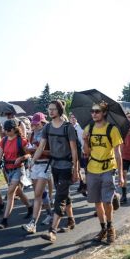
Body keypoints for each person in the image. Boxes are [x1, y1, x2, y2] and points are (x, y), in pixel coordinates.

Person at [33, 100, 80, 243]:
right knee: (64, 193)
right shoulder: (47, 127)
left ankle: (52, 231)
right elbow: (41, 147)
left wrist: (76, 170)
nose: (50, 111)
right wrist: (32, 161)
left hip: (66, 166)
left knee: (59, 197)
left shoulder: (68, 128)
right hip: (54, 166)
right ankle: (71, 220)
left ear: (59, 110)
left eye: (53, 109)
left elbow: (74, 150)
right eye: (49, 109)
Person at [83, 101, 124, 245]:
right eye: (92, 111)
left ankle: (111, 227)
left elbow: (118, 154)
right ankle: (103, 228)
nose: (94, 114)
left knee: (106, 201)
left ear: (104, 113)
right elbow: (86, 153)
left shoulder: (112, 129)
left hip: (108, 168)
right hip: (92, 168)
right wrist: (85, 141)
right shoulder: (88, 128)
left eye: (97, 111)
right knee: (97, 202)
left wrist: (121, 175)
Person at [0, 119, 33, 229]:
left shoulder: (22, 141)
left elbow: (29, 154)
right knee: (18, 191)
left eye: (9, 130)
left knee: (10, 193)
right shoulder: (4, 141)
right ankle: (30, 207)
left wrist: (21, 157)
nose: (6, 132)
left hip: (19, 169)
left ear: (14, 129)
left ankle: (4, 220)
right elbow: (0, 156)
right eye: (5, 130)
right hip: (8, 169)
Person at [22, 112, 52, 234]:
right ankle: (50, 214)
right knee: (40, 193)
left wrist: (38, 150)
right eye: (33, 124)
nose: (34, 126)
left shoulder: (48, 133)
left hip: (45, 164)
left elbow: (52, 152)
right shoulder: (32, 134)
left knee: (38, 194)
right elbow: (29, 150)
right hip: (35, 165)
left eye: (37, 124)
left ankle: (33, 223)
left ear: (43, 122)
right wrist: (29, 151)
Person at [70, 112, 87, 196]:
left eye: (74, 117)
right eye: (71, 117)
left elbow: (82, 140)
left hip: (80, 150)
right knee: (77, 168)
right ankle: (82, 183)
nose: (73, 119)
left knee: (82, 168)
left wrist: (84, 150)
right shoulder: (69, 127)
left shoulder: (79, 127)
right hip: (73, 151)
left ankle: (84, 184)